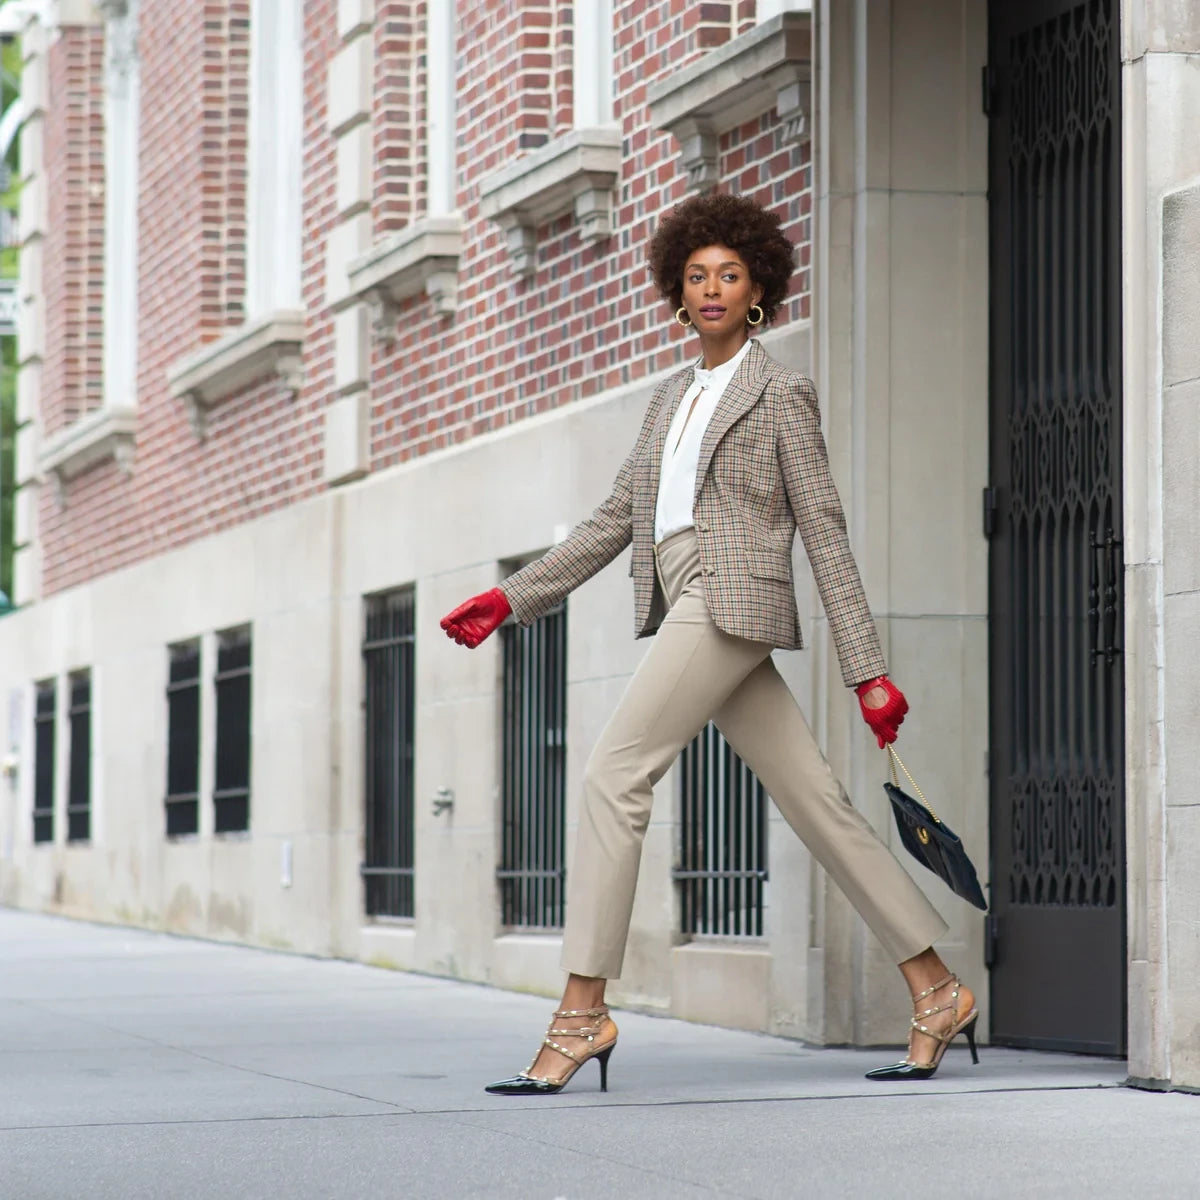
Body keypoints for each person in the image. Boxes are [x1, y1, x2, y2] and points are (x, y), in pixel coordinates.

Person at [440, 193, 977, 1095]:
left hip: (730, 598)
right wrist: (511, 596)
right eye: (697, 276)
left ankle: (581, 1013)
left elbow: (825, 528)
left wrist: (867, 671)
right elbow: (616, 518)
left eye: (730, 273)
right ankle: (937, 989)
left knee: (615, 773)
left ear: (758, 286)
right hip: (682, 591)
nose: (713, 288)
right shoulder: (669, 400)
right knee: (819, 804)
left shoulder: (780, 391)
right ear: (677, 294)